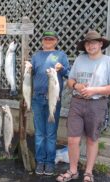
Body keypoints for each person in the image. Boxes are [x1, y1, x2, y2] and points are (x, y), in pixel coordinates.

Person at [56, 30, 110, 182]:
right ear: (84, 46)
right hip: (77, 103)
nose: (90, 45)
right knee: (72, 139)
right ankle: (73, 171)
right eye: (87, 43)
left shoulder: (108, 62)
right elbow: (70, 81)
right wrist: (77, 85)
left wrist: (94, 90)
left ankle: (88, 172)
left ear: (100, 44)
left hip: (97, 104)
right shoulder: (80, 59)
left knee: (92, 139)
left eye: (93, 43)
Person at [30, 31, 69, 175]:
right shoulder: (36, 56)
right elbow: (31, 73)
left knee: (51, 134)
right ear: (42, 41)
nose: (48, 40)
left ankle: (50, 162)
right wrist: (28, 67)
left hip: (53, 99)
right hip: (37, 99)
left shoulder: (61, 55)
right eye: (45, 38)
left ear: (56, 41)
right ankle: (40, 161)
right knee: (39, 133)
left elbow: (68, 74)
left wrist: (62, 68)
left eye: (51, 39)